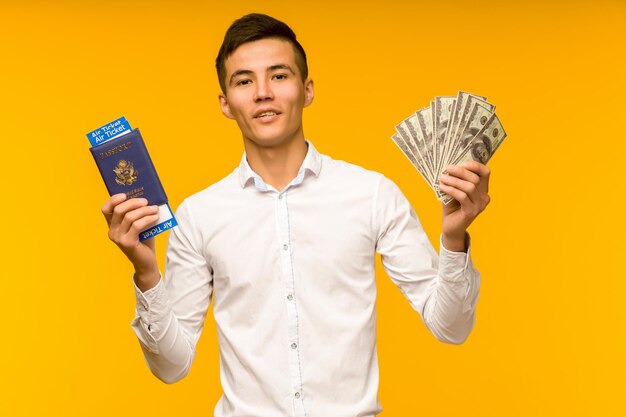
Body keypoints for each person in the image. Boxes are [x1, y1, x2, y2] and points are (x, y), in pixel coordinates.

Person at [101, 13, 491, 417]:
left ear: (307, 90)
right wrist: (146, 274)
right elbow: (171, 366)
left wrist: (453, 240)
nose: (263, 93)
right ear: (225, 104)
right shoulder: (199, 216)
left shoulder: (371, 194)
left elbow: (451, 326)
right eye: (244, 81)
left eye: (279, 76)